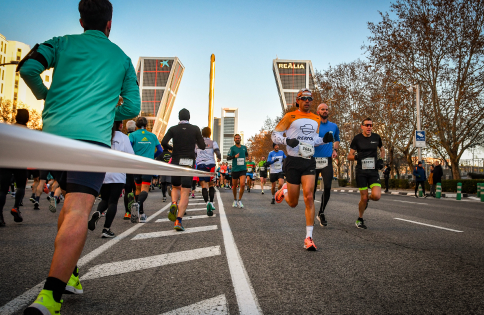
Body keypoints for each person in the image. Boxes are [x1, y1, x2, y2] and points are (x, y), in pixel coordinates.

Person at [19, 0, 140, 312]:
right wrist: (107, 109)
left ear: (81, 20)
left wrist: (47, 95)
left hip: (53, 136)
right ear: (109, 24)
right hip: (90, 141)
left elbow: (29, 68)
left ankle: (70, 272)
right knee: (77, 210)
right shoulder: (122, 59)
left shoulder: (59, 43)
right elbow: (132, 109)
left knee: (70, 201)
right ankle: (50, 296)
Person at [272, 89, 333, 251]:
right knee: (293, 203)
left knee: (309, 196)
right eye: (303, 98)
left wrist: (324, 140)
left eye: (309, 98)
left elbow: (314, 140)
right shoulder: (290, 116)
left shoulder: (315, 118)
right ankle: (284, 191)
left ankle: (309, 238)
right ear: (297, 101)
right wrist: (286, 140)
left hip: (308, 160)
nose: (307, 101)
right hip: (292, 161)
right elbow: (274, 134)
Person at [88, 121, 134, 237]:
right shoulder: (123, 137)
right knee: (113, 202)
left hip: (104, 172)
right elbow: (131, 155)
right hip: (118, 173)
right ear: (120, 125)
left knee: (104, 199)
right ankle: (106, 229)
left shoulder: (103, 135)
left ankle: (98, 212)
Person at [162, 108, 205, 231]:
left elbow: (163, 142)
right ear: (189, 117)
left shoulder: (173, 129)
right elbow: (202, 146)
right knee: (185, 191)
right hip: (188, 161)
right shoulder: (195, 129)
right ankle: (178, 221)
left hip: (175, 160)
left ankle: (174, 203)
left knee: (175, 186)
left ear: (179, 117)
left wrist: (172, 148)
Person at [347, 118, 385, 229]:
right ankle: (360, 219)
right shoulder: (357, 139)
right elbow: (349, 156)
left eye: (371, 125)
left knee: (377, 196)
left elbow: (382, 150)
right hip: (361, 172)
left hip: (373, 171)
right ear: (362, 126)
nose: (369, 127)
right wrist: (356, 157)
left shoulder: (376, 137)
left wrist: (381, 160)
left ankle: (368, 198)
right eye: (367, 125)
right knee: (362, 198)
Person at [129, 117, 163, 223]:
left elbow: (129, 148)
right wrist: (153, 156)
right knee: (145, 189)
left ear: (136, 126)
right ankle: (138, 206)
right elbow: (160, 150)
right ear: (147, 126)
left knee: (138, 190)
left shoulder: (132, 135)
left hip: (136, 165)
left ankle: (141, 213)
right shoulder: (152, 136)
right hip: (148, 165)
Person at [0, 109, 30, 226]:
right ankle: (16, 207)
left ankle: (0, 215)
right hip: (20, 162)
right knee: (21, 186)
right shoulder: (29, 132)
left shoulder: (8, 130)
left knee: (2, 190)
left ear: (16, 117)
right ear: (27, 119)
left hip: (5, 161)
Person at [313, 103, 340, 226]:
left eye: (326, 109)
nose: (325, 111)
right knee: (311, 189)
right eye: (322, 109)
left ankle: (321, 212)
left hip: (326, 160)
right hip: (312, 160)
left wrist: (335, 150)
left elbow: (337, 139)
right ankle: (310, 211)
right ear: (318, 111)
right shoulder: (313, 125)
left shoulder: (333, 126)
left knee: (328, 187)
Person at [196, 127, 221, 216]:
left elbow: (194, 154)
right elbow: (217, 151)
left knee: (203, 185)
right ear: (210, 134)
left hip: (200, 165)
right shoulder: (212, 142)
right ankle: (211, 202)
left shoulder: (197, 143)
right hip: (210, 165)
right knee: (211, 184)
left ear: (202, 134)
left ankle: (207, 203)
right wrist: (219, 157)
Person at [227, 134, 249, 208]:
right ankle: (235, 200)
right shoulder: (232, 148)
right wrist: (234, 156)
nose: (237, 139)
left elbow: (246, 154)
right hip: (235, 169)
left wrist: (247, 157)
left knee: (242, 184)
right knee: (234, 186)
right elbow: (228, 157)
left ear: (240, 139)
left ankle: (239, 200)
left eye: (238, 138)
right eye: (236, 138)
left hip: (243, 168)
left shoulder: (244, 147)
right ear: (234, 140)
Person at [123, 120, 136, 219]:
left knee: (128, 190)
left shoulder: (124, 137)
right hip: (137, 165)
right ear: (135, 128)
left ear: (126, 128)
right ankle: (137, 210)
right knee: (136, 189)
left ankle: (127, 212)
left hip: (127, 166)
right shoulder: (136, 136)